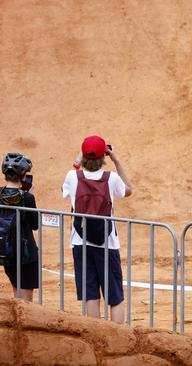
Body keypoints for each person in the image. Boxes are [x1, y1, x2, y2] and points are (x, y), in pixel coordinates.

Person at [61, 135, 133, 323]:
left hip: (80, 241)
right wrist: (116, 160)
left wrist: (78, 160)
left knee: (90, 293)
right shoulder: (112, 178)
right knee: (114, 294)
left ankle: (97, 337)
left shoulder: (72, 176)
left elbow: (65, 189)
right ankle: (117, 338)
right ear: (104, 157)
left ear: (83, 156)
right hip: (107, 242)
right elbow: (129, 189)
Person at [0, 153, 39, 301]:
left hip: (7, 252)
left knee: (16, 292)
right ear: (23, 175)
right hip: (26, 254)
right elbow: (35, 225)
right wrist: (30, 196)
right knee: (27, 301)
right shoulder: (27, 197)